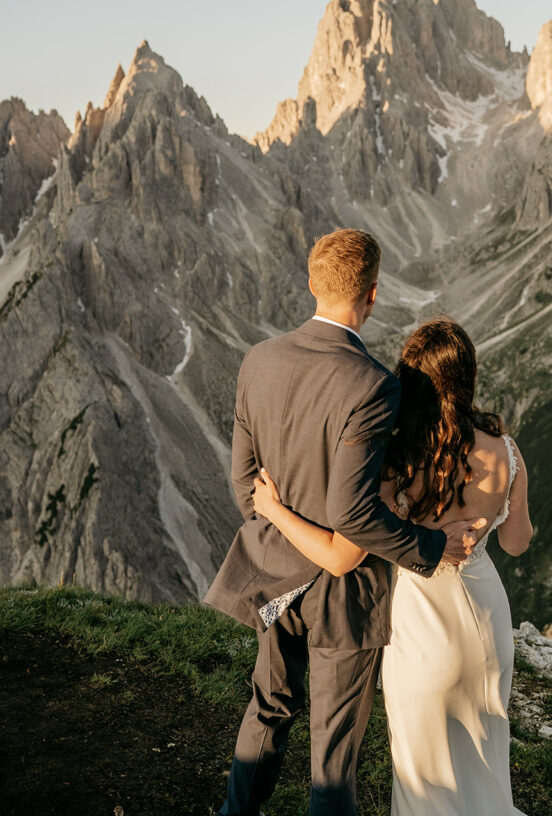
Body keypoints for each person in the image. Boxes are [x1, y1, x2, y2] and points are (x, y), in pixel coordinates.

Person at [204, 230, 485, 816]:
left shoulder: (258, 360)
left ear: (312, 283)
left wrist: (280, 529)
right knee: (332, 757)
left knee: (268, 707)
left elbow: (244, 484)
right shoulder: (374, 385)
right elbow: (352, 514)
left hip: (274, 573)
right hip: (343, 593)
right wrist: (432, 547)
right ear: (373, 295)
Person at [253, 317, 533, 816]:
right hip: (488, 620)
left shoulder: (400, 460)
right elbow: (516, 543)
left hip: (423, 627)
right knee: (485, 760)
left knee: (424, 779)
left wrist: (273, 510)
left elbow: (349, 546)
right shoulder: (504, 450)